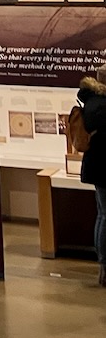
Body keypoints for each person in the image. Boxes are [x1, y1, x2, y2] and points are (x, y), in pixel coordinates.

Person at [77, 64, 106, 286]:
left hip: (97, 166)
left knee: (102, 214)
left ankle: (103, 264)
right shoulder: (100, 106)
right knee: (105, 216)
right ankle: (104, 266)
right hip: (103, 166)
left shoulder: (91, 102)